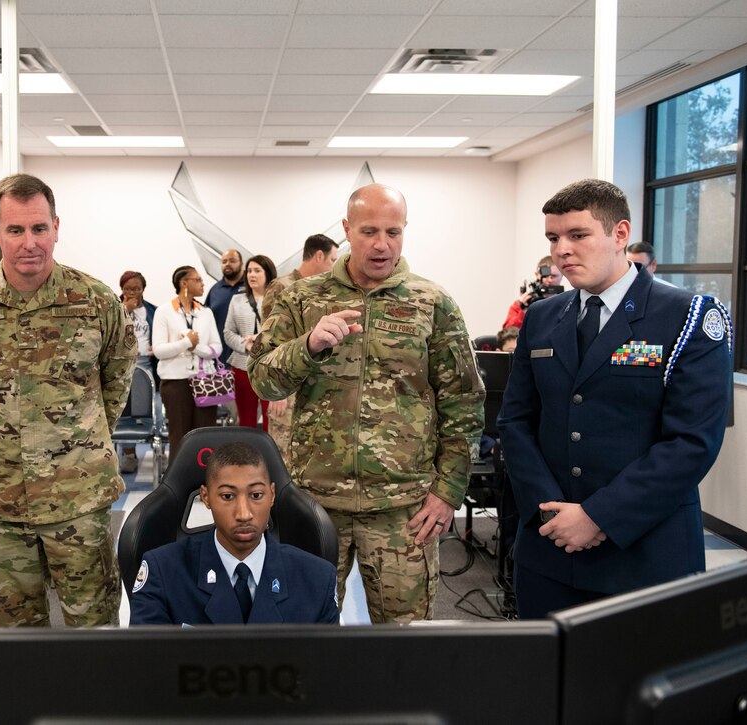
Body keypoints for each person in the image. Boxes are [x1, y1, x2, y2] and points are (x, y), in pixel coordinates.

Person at [497, 179, 732, 619]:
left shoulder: (687, 317)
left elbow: (691, 442)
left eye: (578, 235)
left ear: (620, 234)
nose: (561, 250)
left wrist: (598, 516)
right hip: (550, 548)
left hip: (644, 550)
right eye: (553, 238)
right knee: (550, 682)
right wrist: (549, 511)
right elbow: (516, 421)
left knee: (639, 681)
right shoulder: (543, 317)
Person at [249, 184, 485, 624]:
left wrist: (448, 491)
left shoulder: (433, 303)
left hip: (404, 508)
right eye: (369, 231)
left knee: (404, 642)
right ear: (346, 231)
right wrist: (307, 346)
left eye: (394, 232)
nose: (382, 244)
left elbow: (463, 402)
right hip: (315, 501)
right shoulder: (299, 298)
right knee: (303, 630)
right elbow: (263, 381)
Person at [0, 174, 135, 627]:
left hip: (78, 498)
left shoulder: (97, 302)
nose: (29, 243)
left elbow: (117, 378)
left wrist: (80, 439)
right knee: (14, 635)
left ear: (56, 227)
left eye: (39, 228)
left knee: (94, 624)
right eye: (16, 230)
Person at [130, 441, 338, 625]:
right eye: (228, 496)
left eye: (256, 495)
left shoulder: (317, 579)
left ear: (272, 495)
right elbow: (147, 664)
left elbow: (327, 666)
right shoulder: (163, 572)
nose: (244, 514)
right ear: (206, 497)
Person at [260, 234, 339, 463]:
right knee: (282, 456)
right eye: (332, 260)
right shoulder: (282, 287)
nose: (333, 266)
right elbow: (271, 342)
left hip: (314, 386)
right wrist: (279, 390)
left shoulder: (322, 290)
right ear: (319, 255)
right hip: (288, 386)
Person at [152, 266, 222, 466]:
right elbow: (158, 350)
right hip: (176, 383)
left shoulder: (206, 312)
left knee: (205, 436)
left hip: (205, 381)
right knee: (180, 436)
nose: (202, 283)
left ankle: (206, 480)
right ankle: (180, 484)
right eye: (198, 279)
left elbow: (217, 348)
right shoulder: (163, 312)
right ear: (184, 283)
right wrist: (184, 343)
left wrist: (195, 347)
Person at [224, 255, 278, 431]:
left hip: (271, 365)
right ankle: (248, 456)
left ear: (268, 273)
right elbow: (228, 332)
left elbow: (284, 330)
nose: (252, 275)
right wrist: (245, 344)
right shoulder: (237, 300)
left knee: (272, 417)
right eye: (249, 271)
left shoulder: (279, 299)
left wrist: (259, 338)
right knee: (246, 420)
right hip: (243, 365)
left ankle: (269, 456)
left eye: (257, 270)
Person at [118, 270, 158, 474]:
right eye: (127, 288)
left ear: (143, 289)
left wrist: (156, 347)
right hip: (122, 363)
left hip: (146, 363)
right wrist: (125, 309)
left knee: (144, 407)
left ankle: (153, 444)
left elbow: (158, 333)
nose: (132, 292)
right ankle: (128, 453)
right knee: (123, 409)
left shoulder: (152, 310)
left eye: (136, 288)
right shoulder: (115, 309)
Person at [205, 248, 244, 365]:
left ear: (241, 264)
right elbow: (206, 321)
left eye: (232, 261)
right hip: (221, 358)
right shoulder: (215, 291)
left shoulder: (252, 286)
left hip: (246, 355)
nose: (227, 264)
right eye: (224, 261)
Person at [503, 255, 564, 329]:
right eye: (546, 275)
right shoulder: (521, 305)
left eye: (554, 276)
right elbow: (508, 335)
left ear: (562, 275)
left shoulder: (569, 302)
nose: (550, 280)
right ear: (537, 275)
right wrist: (523, 311)